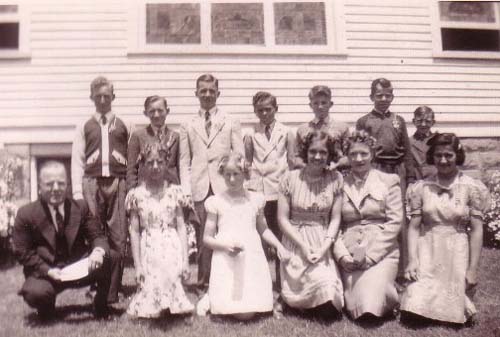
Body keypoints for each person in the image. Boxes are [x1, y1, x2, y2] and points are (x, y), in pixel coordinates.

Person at [12, 161, 120, 320]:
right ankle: (46, 309)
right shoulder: (25, 214)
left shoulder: (80, 207)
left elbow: (97, 235)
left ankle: (102, 304)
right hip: (46, 272)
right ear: (39, 186)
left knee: (111, 256)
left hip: (78, 268)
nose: (56, 188)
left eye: (61, 183)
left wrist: (97, 252)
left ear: (67, 184)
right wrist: (47, 270)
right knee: (35, 292)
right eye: (49, 184)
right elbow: (23, 252)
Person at [401, 133, 490, 324]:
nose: (443, 160)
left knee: (450, 312)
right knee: (413, 308)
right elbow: (414, 227)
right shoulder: (421, 187)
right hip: (428, 247)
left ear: (457, 156)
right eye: (438, 155)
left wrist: (472, 269)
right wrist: (413, 260)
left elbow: (476, 230)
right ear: (432, 157)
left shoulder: (471, 187)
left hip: (456, 249)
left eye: (448, 155)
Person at [202, 153, 289, 320]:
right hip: (226, 257)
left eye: (236, 174)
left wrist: (279, 245)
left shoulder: (255, 199)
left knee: (248, 315)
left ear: (245, 174)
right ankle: (217, 300)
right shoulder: (216, 202)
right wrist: (225, 246)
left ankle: (252, 301)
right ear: (222, 175)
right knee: (236, 313)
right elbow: (207, 238)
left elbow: (264, 229)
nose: (232, 179)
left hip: (251, 256)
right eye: (228, 174)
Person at [179, 74, 244, 291]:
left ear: (218, 93)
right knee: (203, 238)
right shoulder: (187, 124)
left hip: (225, 185)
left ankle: (228, 282)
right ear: (196, 93)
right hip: (199, 187)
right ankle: (204, 284)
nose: (207, 94)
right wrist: (187, 192)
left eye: (211, 91)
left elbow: (239, 156)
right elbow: (184, 161)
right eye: (203, 91)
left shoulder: (230, 121)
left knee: (227, 233)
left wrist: (235, 182)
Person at [71, 76, 130, 303]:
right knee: (95, 232)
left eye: (107, 96)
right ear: (92, 98)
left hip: (117, 181)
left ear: (113, 97)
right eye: (98, 96)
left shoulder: (124, 124)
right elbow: (77, 160)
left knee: (118, 233)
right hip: (91, 182)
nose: (103, 100)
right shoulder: (84, 126)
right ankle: (96, 283)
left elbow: (131, 157)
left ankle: (116, 285)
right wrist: (78, 192)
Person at [333, 130, 402, 320]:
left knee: (372, 298)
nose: (358, 158)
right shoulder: (339, 184)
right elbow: (333, 226)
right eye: (353, 154)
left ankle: (390, 295)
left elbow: (395, 222)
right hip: (351, 249)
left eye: (364, 153)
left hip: (381, 249)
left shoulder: (389, 181)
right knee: (358, 303)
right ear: (347, 156)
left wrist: (371, 257)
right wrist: (342, 257)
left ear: (372, 154)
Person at [278, 130, 344, 318]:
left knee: (330, 292)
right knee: (311, 291)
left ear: (329, 154)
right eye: (313, 151)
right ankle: (294, 301)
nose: (317, 156)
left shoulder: (336, 179)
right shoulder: (289, 178)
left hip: (322, 241)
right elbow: (282, 219)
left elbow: (336, 218)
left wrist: (323, 248)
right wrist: (304, 246)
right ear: (305, 152)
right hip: (295, 241)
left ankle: (307, 305)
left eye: (323, 152)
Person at [126, 143, 194, 318]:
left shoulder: (175, 192)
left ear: (166, 163)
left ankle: (172, 302)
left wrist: (186, 261)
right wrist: (137, 265)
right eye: (150, 162)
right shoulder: (136, 195)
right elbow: (134, 231)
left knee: (169, 264)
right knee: (152, 275)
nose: (155, 167)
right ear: (143, 165)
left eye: (159, 162)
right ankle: (153, 303)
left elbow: (180, 226)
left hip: (171, 244)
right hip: (148, 244)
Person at [243, 91, 297, 292]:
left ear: (276, 109)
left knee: (280, 238)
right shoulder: (250, 134)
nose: (264, 113)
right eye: (260, 110)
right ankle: (262, 285)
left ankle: (283, 284)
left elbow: (291, 162)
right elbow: (248, 163)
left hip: (279, 190)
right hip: (259, 191)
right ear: (255, 111)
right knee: (261, 239)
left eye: (268, 109)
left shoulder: (286, 132)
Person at [356, 78, 416, 188]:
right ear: (372, 97)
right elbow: (359, 151)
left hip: (398, 169)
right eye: (379, 96)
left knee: (398, 202)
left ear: (392, 98)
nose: (384, 99)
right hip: (375, 168)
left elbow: (407, 150)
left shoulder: (399, 120)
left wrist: (410, 177)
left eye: (388, 96)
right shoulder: (363, 121)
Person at [127, 95, 184, 191]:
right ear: (145, 113)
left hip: (170, 191)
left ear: (167, 111)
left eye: (160, 110)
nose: (156, 115)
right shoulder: (138, 136)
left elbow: (181, 168)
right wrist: (132, 192)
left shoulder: (176, 137)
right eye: (152, 111)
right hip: (146, 191)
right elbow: (131, 170)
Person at [295, 85, 349, 170]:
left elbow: (348, 157)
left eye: (324, 103)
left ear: (330, 104)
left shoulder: (342, 127)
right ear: (310, 105)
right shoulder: (302, 129)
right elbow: (297, 157)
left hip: (335, 174)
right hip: (310, 177)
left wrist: (336, 165)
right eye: (316, 103)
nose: (320, 107)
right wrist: (308, 169)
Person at [410, 105, 437, 180]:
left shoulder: (438, 141)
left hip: (436, 181)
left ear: (433, 122)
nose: (423, 124)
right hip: (417, 182)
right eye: (419, 121)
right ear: (413, 121)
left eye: (427, 121)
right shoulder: (408, 142)